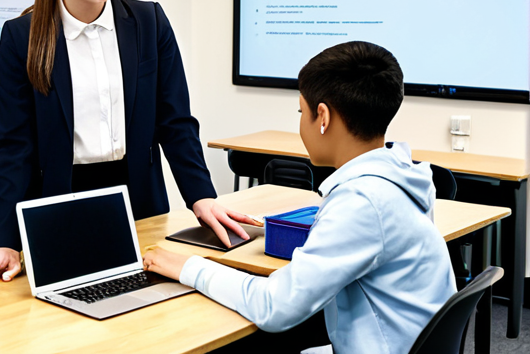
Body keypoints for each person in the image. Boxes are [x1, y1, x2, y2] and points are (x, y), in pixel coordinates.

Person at [0, 0, 256, 288]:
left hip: (139, 200)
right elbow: (13, 147)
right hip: (59, 203)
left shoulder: (149, 22)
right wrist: (3, 241)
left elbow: (174, 122)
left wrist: (201, 196)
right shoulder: (21, 38)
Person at [143, 41, 457, 354]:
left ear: (323, 116)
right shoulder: (399, 176)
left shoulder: (362, 202)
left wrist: (189, 267)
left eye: (300, 111)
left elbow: (275, 308)